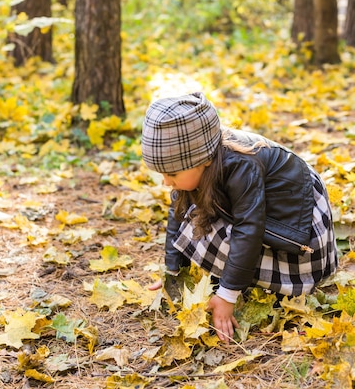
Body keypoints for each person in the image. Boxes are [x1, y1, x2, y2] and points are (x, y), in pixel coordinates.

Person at [141, 92, 338, 343]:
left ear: (202, 159)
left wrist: (227, 295)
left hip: (300, 235)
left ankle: (269, 281)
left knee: (212, 234)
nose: (166, 181)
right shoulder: (208, 162)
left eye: (172, 173)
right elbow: (177, 214)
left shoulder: (241, 165)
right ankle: (244, 275)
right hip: (271, 220)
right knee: (192, 219)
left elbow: (249, 229)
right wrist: (173, 270)